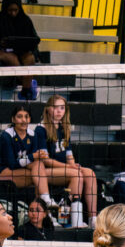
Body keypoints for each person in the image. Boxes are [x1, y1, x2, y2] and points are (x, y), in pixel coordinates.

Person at [36, 94, 98, 228]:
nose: (59, 111)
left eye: (62, 108)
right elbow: (45, 160)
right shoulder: (41, 129)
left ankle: (93, 218)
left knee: (89, 173)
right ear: (47, 109)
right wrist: (69, 168)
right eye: (55, 107)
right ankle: (73, 219)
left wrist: (73, 165)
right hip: (45, 171)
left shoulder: (64, 128)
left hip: (63, 168)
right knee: (76, 175)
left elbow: (69, 155)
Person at [0, 105, 55, 206]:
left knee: (38, 169)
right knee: (38, 177)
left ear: (30, 119)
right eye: (19, 117)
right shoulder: (6, 136)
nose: (24, 120)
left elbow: (33, 161)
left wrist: (35, 157)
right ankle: (46, 203)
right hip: (2, 172)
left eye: (26, 116)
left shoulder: (32, 135)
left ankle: (45, 205)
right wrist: (32, 157)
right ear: (13, 119)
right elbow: (11, 164)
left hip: (21, 169)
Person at [0, 0, 40, 100]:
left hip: (21, 51)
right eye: (10, 10)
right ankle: (28, 85)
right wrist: (0, 44)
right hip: (1, 51)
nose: (13, 13)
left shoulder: (26, 20)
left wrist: (34, 53)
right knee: (11, 58)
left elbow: (33, 41)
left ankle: (25, 90)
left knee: (30, 58)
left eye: (16, 10)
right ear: (5, 8)